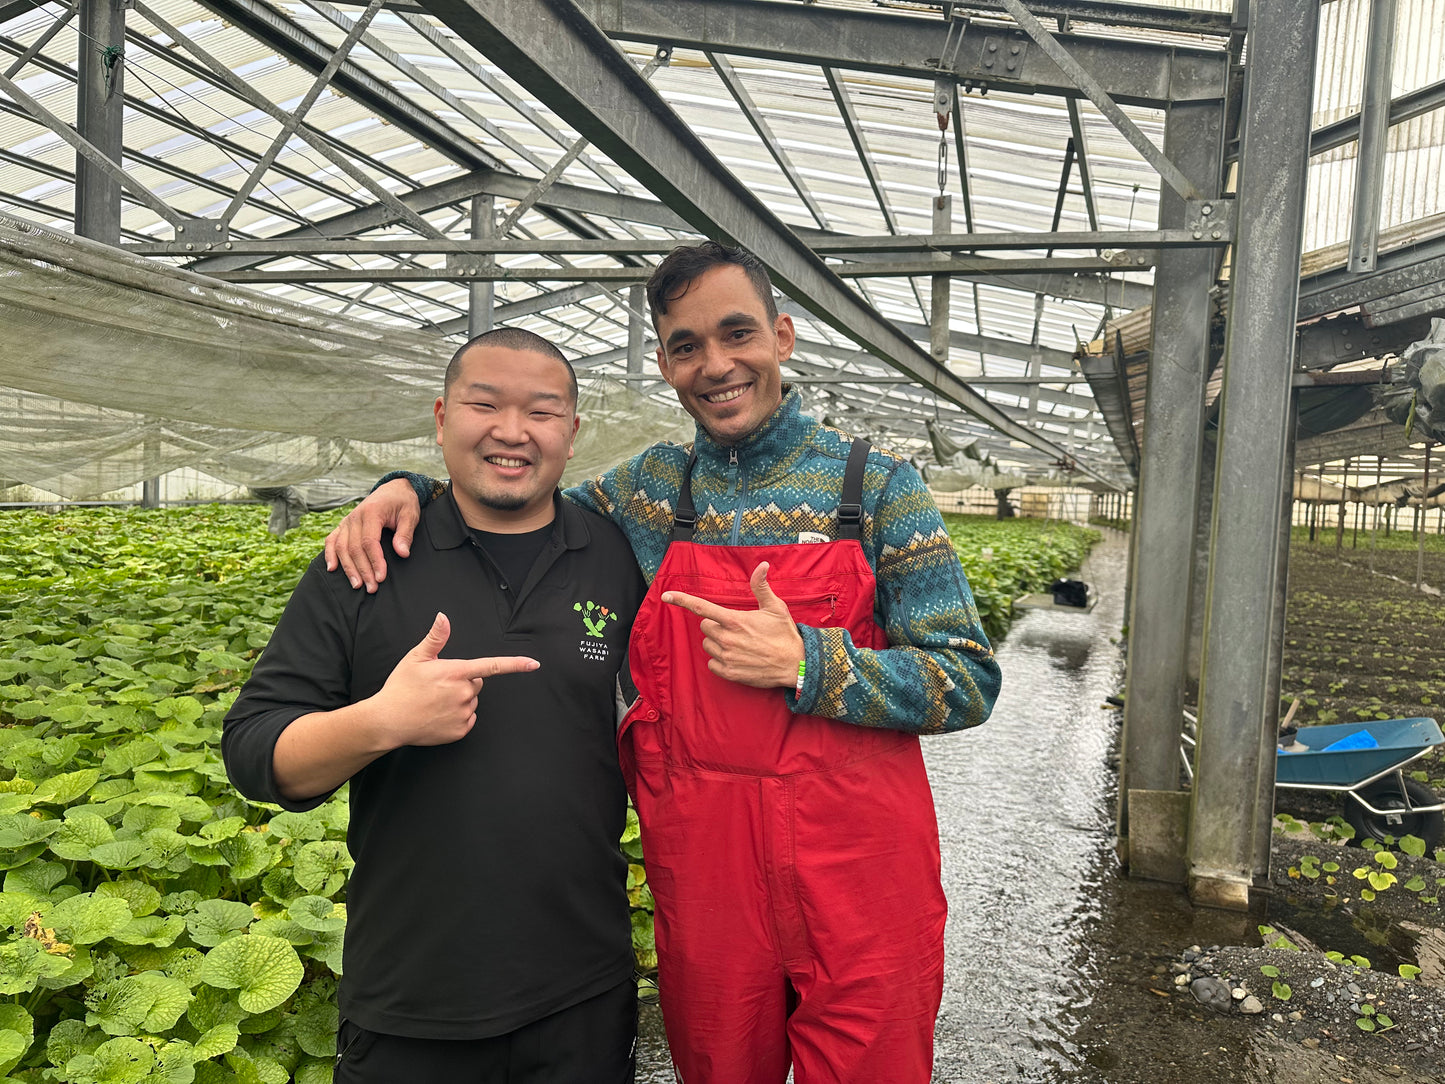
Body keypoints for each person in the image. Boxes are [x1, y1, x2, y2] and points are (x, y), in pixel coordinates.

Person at [325, 242, 1002, 1084]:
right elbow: (512, 493)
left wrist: (809, 661)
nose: (715, 365)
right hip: (709, 875)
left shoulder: (881, 488)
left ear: (782, 337)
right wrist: (409, 488)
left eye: (736, 334)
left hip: (861, 873)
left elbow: (967, 678)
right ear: (665, 363)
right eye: (687, 346)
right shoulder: (646, 492)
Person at [223, 328, 646, 1084]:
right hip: (412, 1000)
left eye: (542, 412)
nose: (512, 431)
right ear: (441, 416)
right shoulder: (368, 560)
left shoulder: (617, 556)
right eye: (484, 404)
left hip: (583, 990)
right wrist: (380, 722)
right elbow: (255, 751)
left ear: (572, 434)